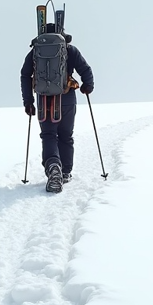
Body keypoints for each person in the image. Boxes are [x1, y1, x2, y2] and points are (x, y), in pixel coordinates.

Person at [20, 25, 94, 192]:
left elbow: (25, 75)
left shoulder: (35, 51)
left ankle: (53, 166)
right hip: (66, 99)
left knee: (48, 135)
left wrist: (28, 101)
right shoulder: (69, 50)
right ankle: (65, 171)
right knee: (66, 136)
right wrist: (87, 86)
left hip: (44, 101)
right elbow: (85, 69)